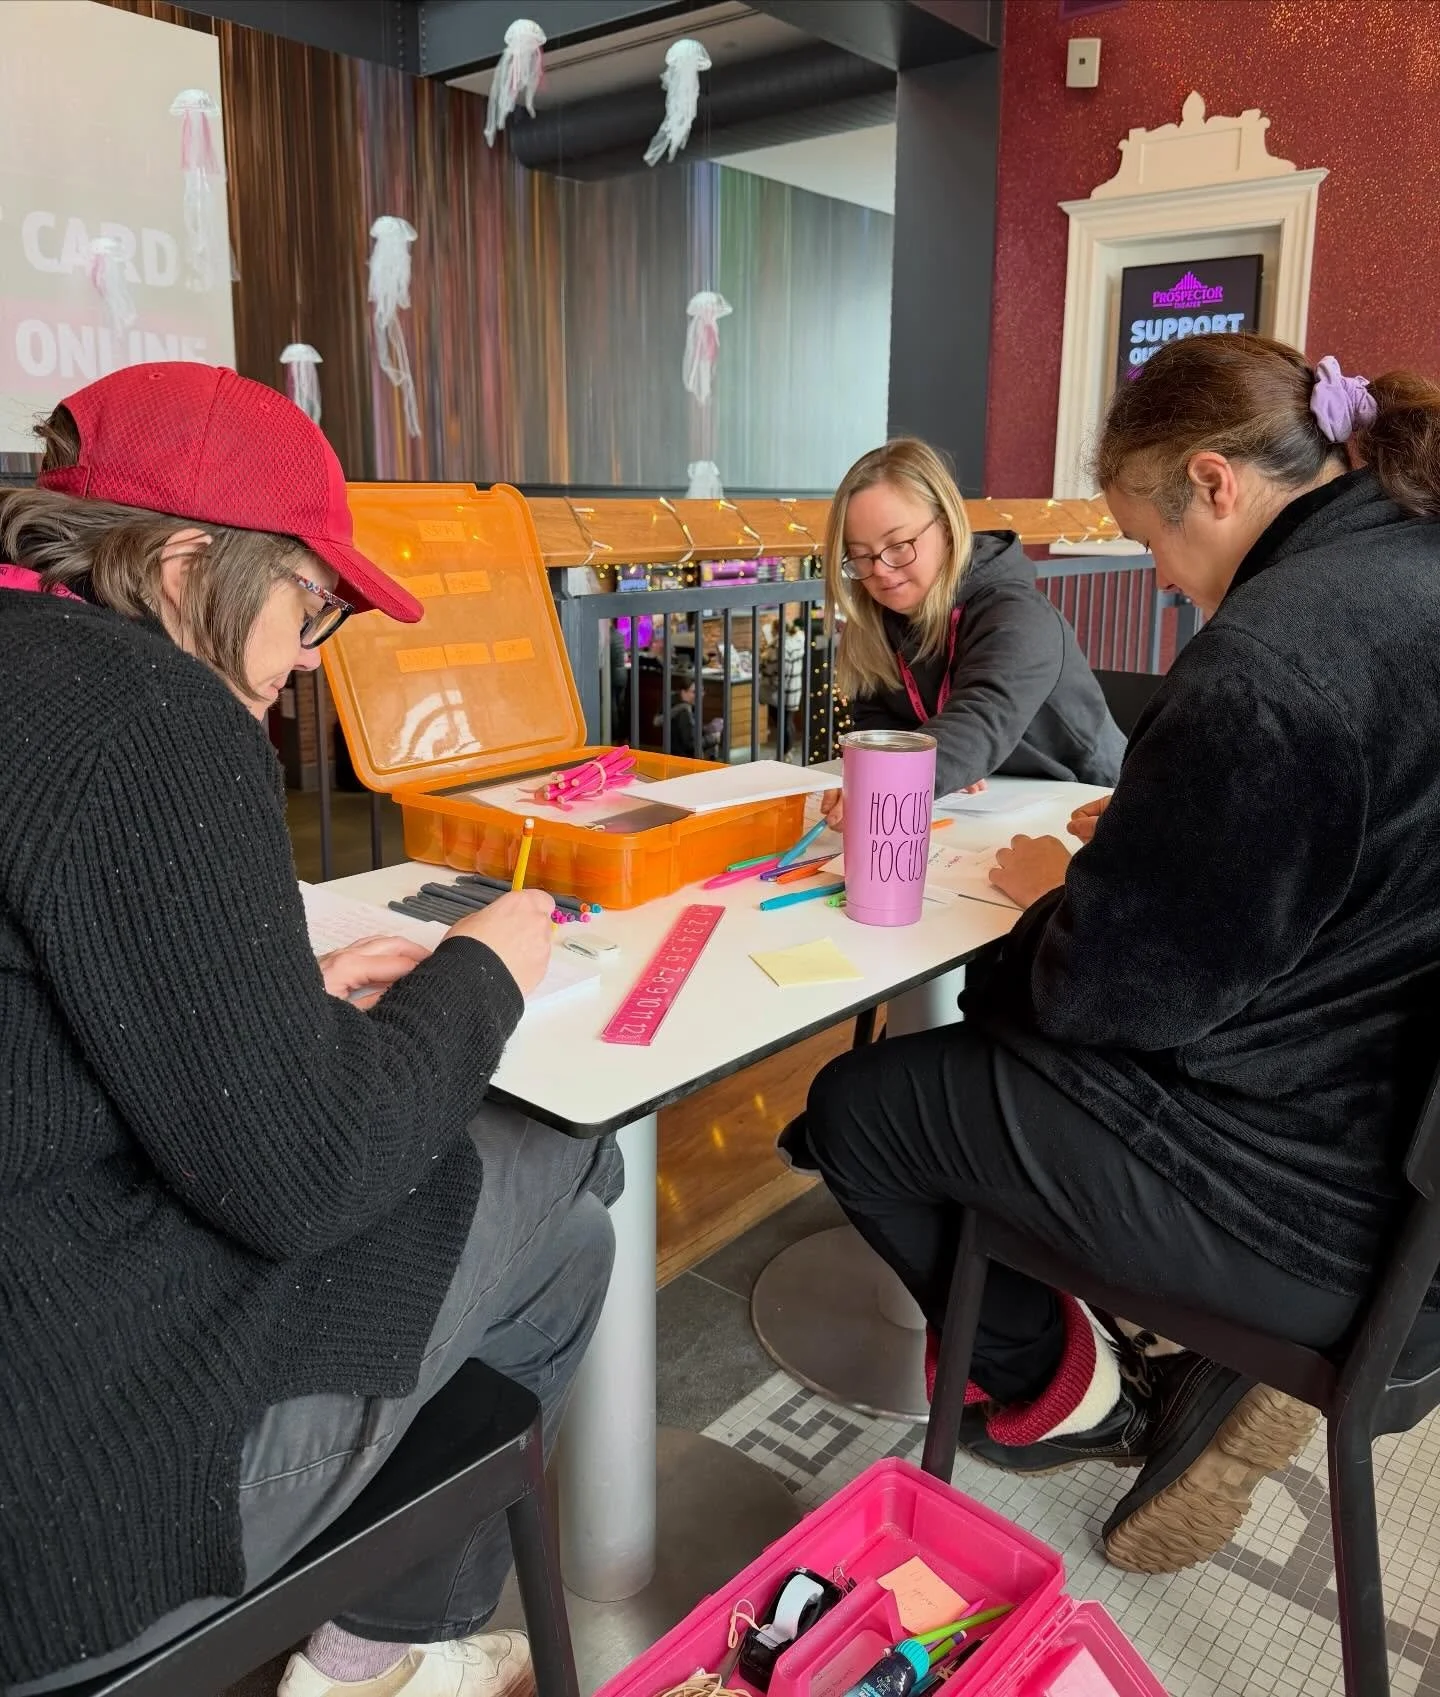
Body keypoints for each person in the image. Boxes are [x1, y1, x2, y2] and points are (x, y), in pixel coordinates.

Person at [0, 363, 618, 1697]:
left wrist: (272, 996)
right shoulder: (150, 712)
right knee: (573, 1153)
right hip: (56, 1506)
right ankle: (373, 1661)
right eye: (309, 605)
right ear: (180, 570)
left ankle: (386, 1652)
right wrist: (482, 971)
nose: (307, 657)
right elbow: (311, 1176)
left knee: (557, 1252)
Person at [803, 336, 1440, 1574]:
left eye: (1149, 543)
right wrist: (1157, 843)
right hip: (1399, 1155)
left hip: (1310, 1201)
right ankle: (1171, 1339)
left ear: (1213, 482)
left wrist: (1071, 892)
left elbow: (1102, 992)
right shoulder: (1409, 563)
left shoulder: (1274, 653)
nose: (1160, 580)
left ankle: (1075, 1390)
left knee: (863, 1110)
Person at [818, 439, 1124, 827]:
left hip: (1089, 809)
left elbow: (982, 717)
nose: (879, 569)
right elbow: (880, 725)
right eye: (860, 555)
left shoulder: (1018, 613)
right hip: (984, 809)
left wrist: (893, 780)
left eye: (898, 545)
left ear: (946, 527)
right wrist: (952, 758)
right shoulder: (881, 617)